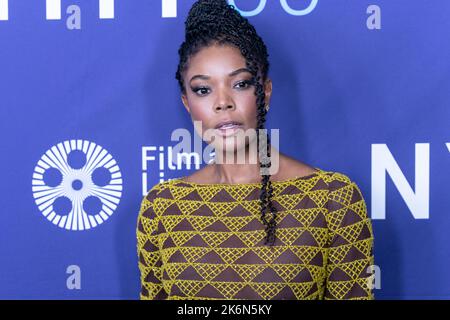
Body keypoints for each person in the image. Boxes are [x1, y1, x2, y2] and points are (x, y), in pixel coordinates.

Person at [137, 0, 374, 300]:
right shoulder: (160, 208)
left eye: (240, 84)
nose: (223, 102)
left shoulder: (333, 199)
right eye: (203, 89)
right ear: (187, 103)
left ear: (265, 92)